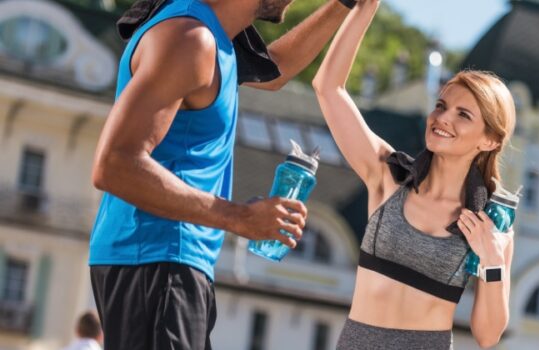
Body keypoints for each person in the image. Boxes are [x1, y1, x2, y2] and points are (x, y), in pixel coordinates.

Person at [88, 0, 358, 349]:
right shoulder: (190, 38)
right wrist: (240, 217)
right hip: (158, 256)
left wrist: (345, 4)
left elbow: (276, 68)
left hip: (168, 263)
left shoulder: (216, 41)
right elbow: (114, 165)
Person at [312, 1, 516, 349]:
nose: (443, 118)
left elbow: (487, 335)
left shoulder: (490, 227)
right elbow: (328, 87)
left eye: (463, 114)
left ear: (489, 139)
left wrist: (493, 261)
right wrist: (364, 8)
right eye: (441, 105)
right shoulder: (387, 175)